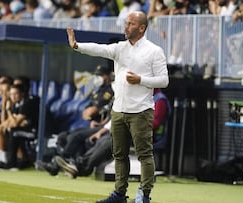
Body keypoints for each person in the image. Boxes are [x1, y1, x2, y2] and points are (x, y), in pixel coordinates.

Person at [66, 11, 169, 203]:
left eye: (130, 23)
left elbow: (164, 81)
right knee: (119, 155)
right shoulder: (120, 48)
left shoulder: (154, 51)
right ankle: (120, 194)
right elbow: (99, 49)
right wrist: (77, 45)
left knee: (144, 154)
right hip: (119, 111)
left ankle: (144, 195)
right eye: (126, 23)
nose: (126, 26)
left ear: (141, 28)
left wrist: (141, 79)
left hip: (141, 112)